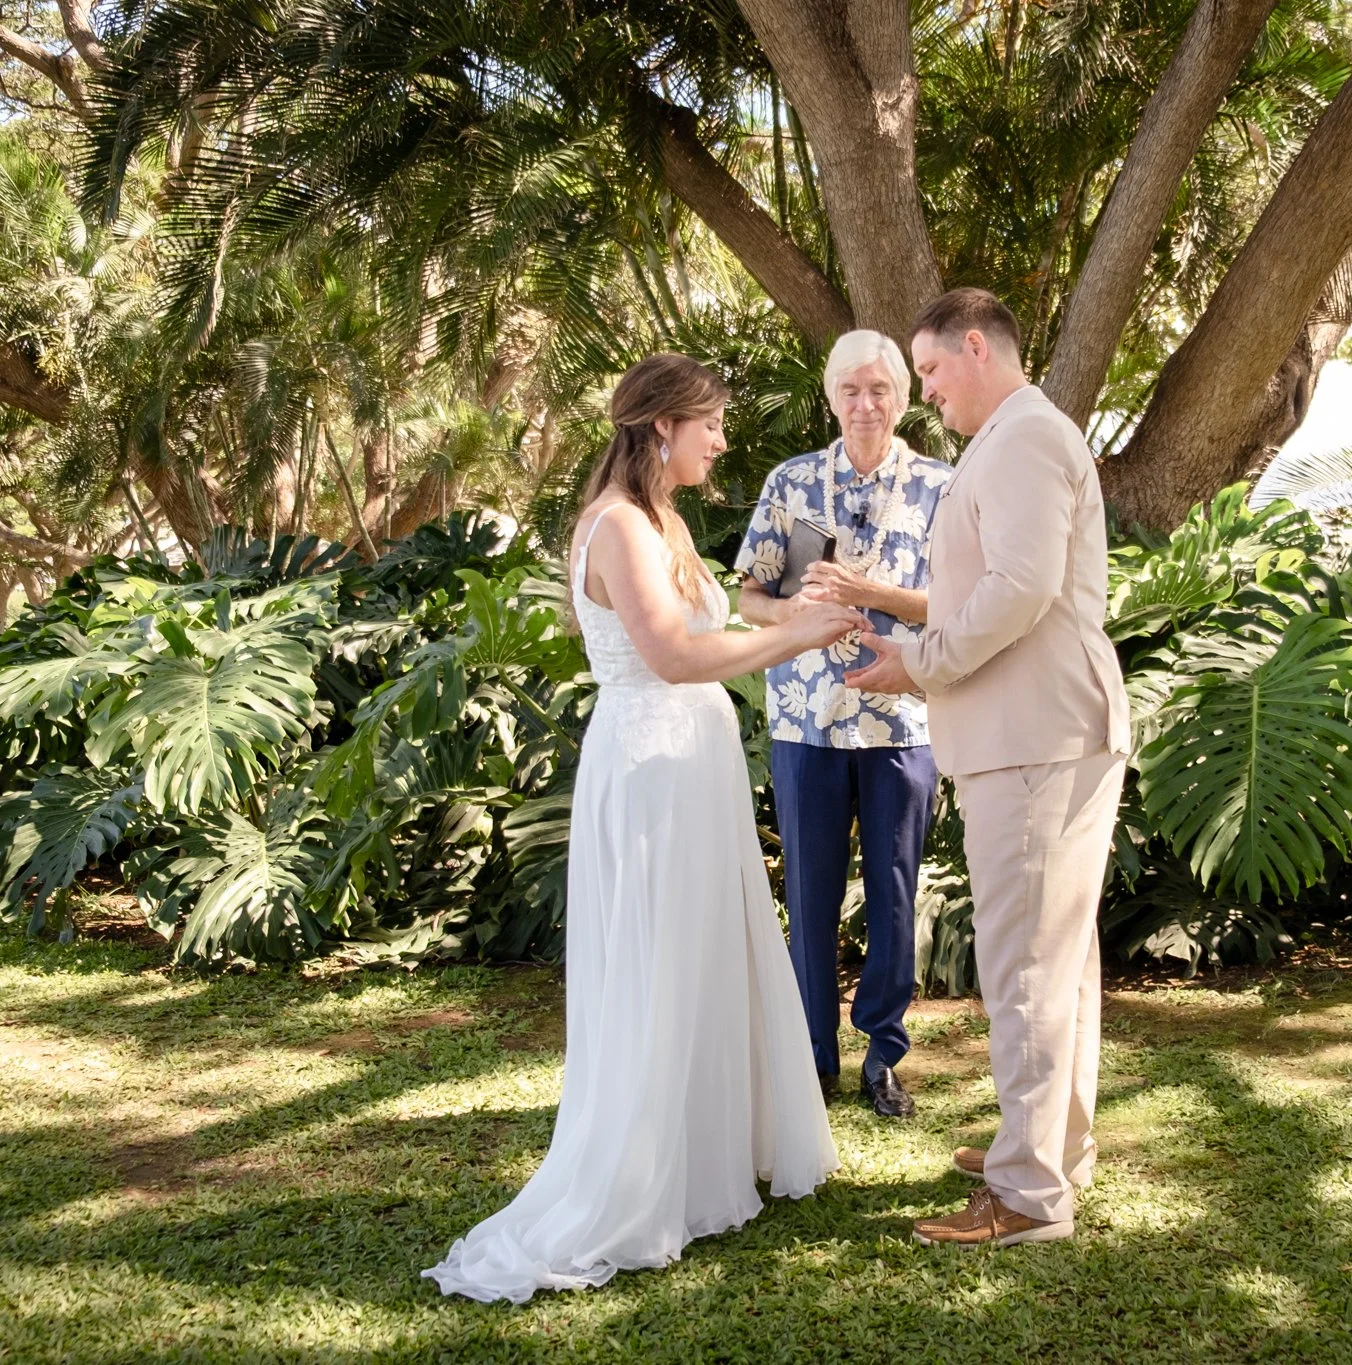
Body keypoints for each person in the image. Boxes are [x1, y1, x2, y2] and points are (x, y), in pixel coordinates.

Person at [424, 354, 858, 1302]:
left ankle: (715, 1152)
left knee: (707, 948)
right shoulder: (617, 525)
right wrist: (799, 637)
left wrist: (805, 609)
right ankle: (645, 1171)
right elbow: (669, 654)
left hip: (694, 759)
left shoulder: (668, 521)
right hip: (652, 763)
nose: (722, 439)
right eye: (709, 424)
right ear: (662, 425)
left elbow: (717, 629)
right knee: (661, 954)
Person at [846, 289, 1130, 1247]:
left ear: (977, 346)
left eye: (930, 371)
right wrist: (898, 620)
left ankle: (1026, 1196)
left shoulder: (1021, 439)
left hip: (1033, 738)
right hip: (1039, 732)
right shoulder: (1017, 437)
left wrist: (918, 666)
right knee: (1059, 964)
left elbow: (1019, 589)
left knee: (1024, 970)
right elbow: (990, 586)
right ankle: (1049, 1144)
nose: (926, 392)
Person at [735, 330, 955, 1119]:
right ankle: (813, 1057)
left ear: (901, 397)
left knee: (895, 891)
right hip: (805, 724)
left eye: (880, 390)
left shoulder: (941, 486)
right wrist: (795, 609)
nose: (865, 405)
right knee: (813, 890)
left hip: (901, 720)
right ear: (830, 397)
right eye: (850, 390)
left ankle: (882, 1055)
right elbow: (748, 595)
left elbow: (962, 602)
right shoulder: (791, 483)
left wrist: (872, 591)